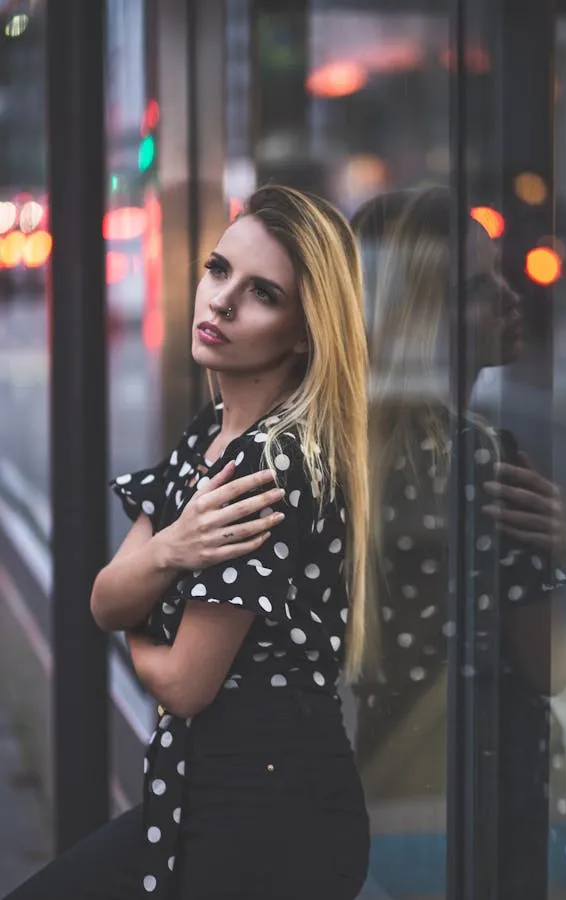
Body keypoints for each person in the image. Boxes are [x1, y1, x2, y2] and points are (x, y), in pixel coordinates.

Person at [6, 186, 371, 900]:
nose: (223, 301)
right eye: (218, 270)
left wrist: (141, 606)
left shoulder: (270, 466)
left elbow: (183, 681)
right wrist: (172, 548)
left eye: (262, 292)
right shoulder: (211, 434)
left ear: (303, 333)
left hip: (273, 817)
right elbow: (106, 595)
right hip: (207, 797)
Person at [349, 186, 566, 899]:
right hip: (479, 795)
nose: (511, 297)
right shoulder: (482, 461)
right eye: (479, 288)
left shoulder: (351, 449)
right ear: (425, 318)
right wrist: (557, 557)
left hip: (379, 789)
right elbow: (550, 668)